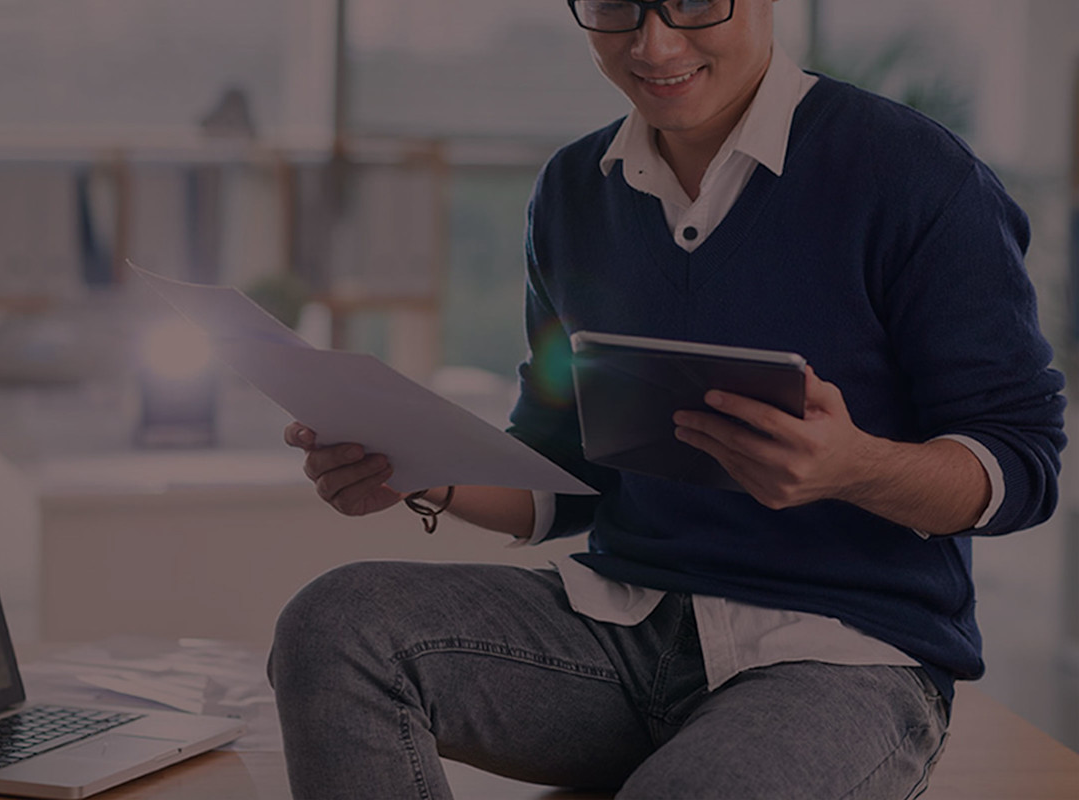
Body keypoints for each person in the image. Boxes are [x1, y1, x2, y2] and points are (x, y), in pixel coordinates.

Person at [268, 0, 1067, 797]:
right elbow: (565, 470)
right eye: (617, 6)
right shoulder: (573, 191)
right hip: (620, 631)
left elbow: (1021, 466)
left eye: (692, 2)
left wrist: (852, 468)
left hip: (844, 653)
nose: (652, 43)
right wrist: (423, 467)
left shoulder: (916, 174)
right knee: (337, 625)